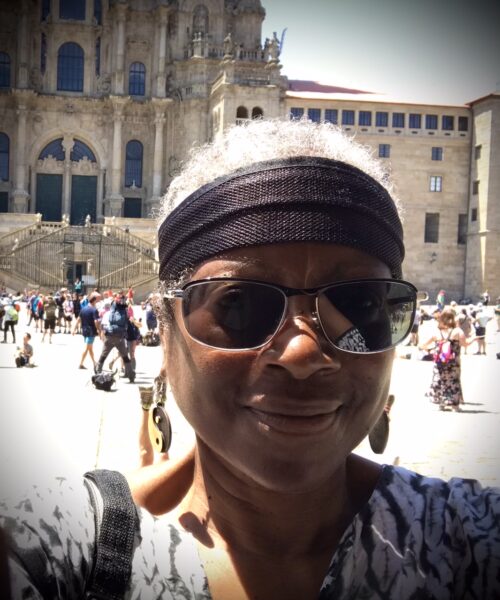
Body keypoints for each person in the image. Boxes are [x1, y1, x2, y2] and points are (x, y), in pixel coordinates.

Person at [1, 119, 500, 599]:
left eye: (359, 304)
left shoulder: (473, 542)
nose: (304, 353)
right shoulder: (49, 553)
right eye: (240, 304)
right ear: (166, 331)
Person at [420, 308, 471, 411]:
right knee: (453, 381)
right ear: (453, 318)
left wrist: (432, 350)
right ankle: (455, 406)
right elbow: (465, 344)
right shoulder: (457, 331)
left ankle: (441, 404)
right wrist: (474, 338)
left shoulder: (437, 332)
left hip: (439, 362)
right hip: (453, 363)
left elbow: (423, 345)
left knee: (440, 381)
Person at [95, 291, 135, 382]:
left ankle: (98, 372)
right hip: (120, 337)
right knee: (125, 356)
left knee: (103, 355)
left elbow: (103, 325)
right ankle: (131, 375)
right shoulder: (125, 312)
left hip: (109, 336)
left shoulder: (109, 312)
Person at [73, 292, 101, 370]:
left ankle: (94, 363)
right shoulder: (94, 310)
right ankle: (81, 364)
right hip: (91, 331)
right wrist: (99, 330)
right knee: (87, 348)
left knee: (90, 348)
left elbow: (78, 319)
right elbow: (96, 321)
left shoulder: (83, 309)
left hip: (84, 330)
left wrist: (74, 329)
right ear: (94, 301)